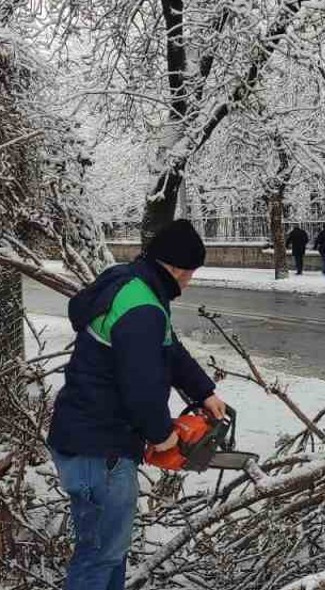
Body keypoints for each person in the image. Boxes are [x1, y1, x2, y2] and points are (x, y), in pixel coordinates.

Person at [48, 219, 227, 590]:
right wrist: (163, 437)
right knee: (99, 558)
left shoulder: (131, 286)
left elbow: (169, 350)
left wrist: (204, 392)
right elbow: (141, 385)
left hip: (90, 439)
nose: (190, 281)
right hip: (99, 449)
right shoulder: (142, 306)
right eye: (191, 272)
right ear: (177, 268)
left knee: (109, 553)